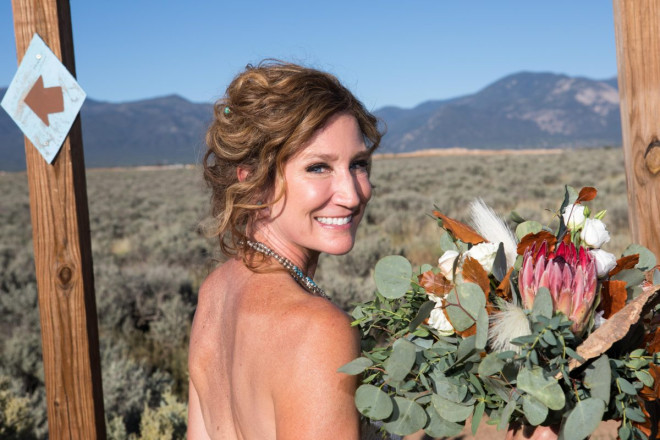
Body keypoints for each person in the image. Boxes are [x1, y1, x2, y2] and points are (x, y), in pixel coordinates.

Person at [187, 60, 382, 440]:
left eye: (358, 164)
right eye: (318, 168)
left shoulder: (214, 290)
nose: (352, 194)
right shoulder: (318, 331)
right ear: (255, 182)